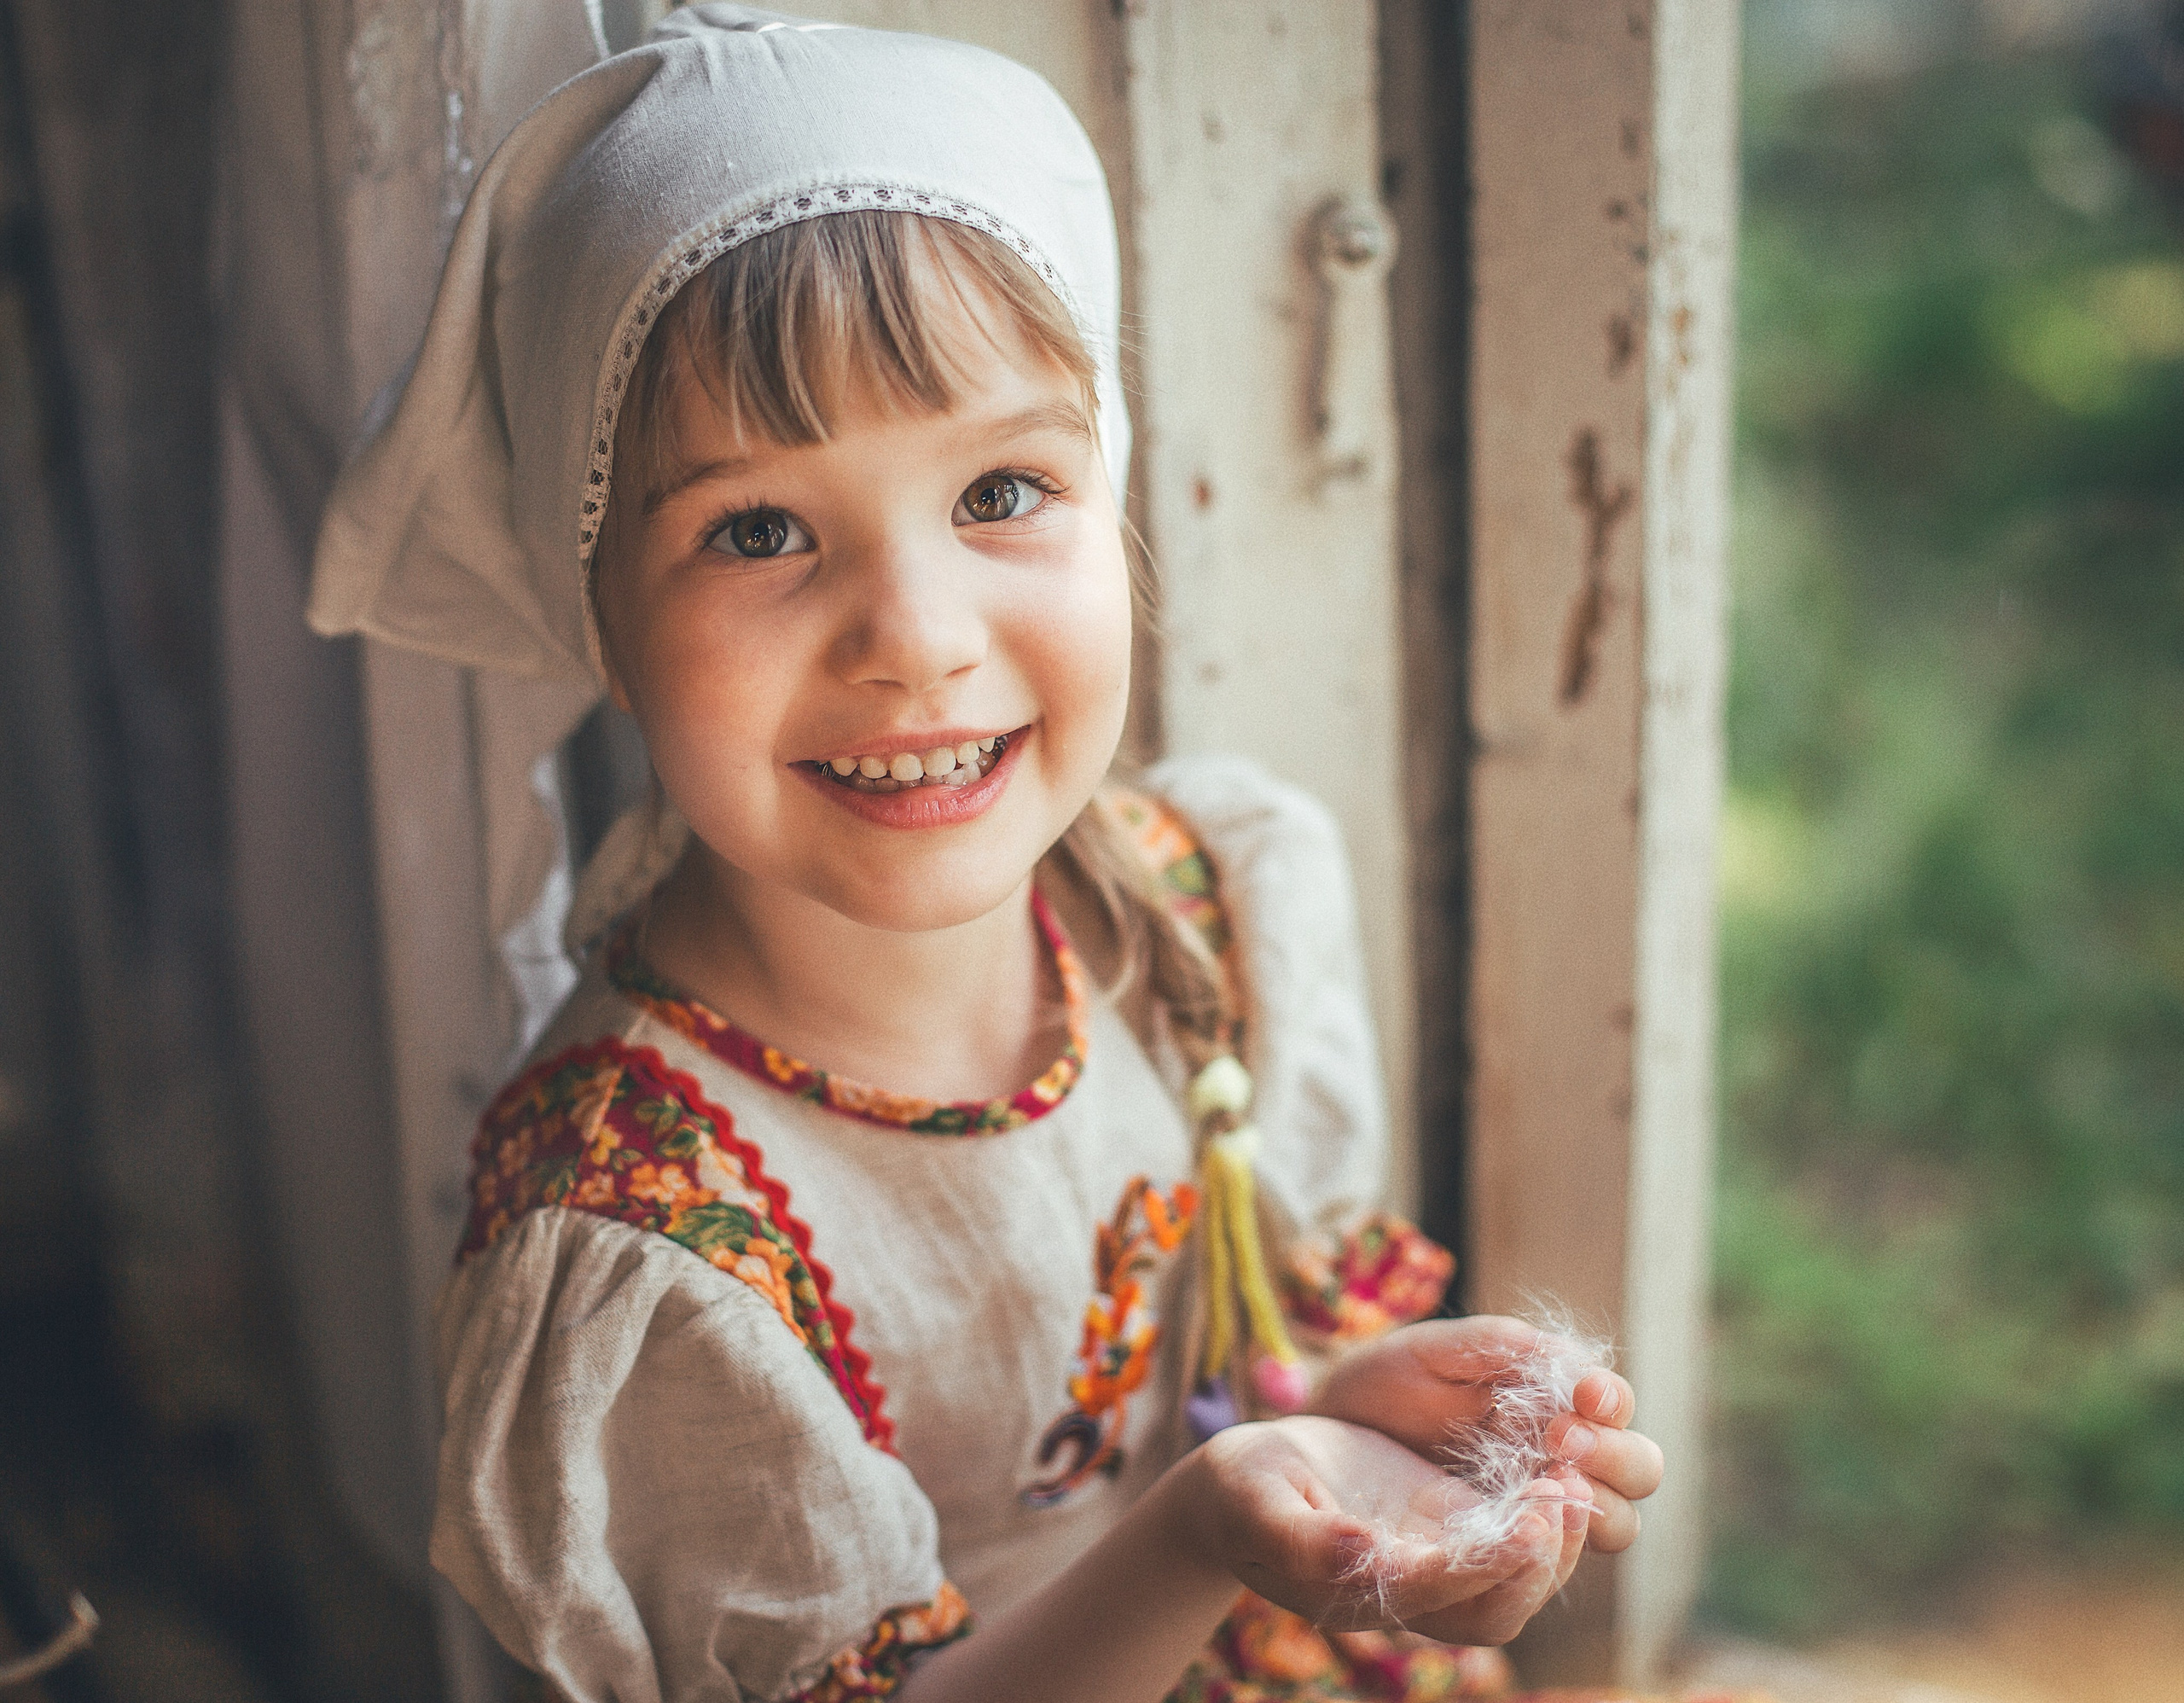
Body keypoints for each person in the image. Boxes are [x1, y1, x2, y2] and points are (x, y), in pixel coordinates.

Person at [308, 9, 1664, 1700]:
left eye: (1003, 491)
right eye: (757, 528)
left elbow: (1221, 1382)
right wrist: (1200, 1533)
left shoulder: (1206, 901)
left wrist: (1337, 1411)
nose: (916, 638)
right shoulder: (640, 1237)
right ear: (599, 614)